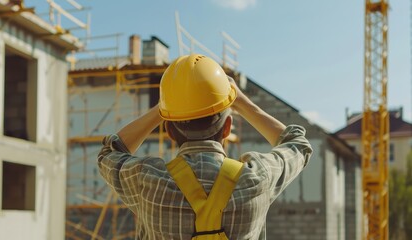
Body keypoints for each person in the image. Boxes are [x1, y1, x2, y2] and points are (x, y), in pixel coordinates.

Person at [98, 54, 313, 239]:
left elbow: (110, 151)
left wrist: (163, 108)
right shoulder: (258, 177)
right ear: (227, 127)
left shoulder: (146, 180)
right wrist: (241, 102)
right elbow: (297, 143)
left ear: (169, 131)